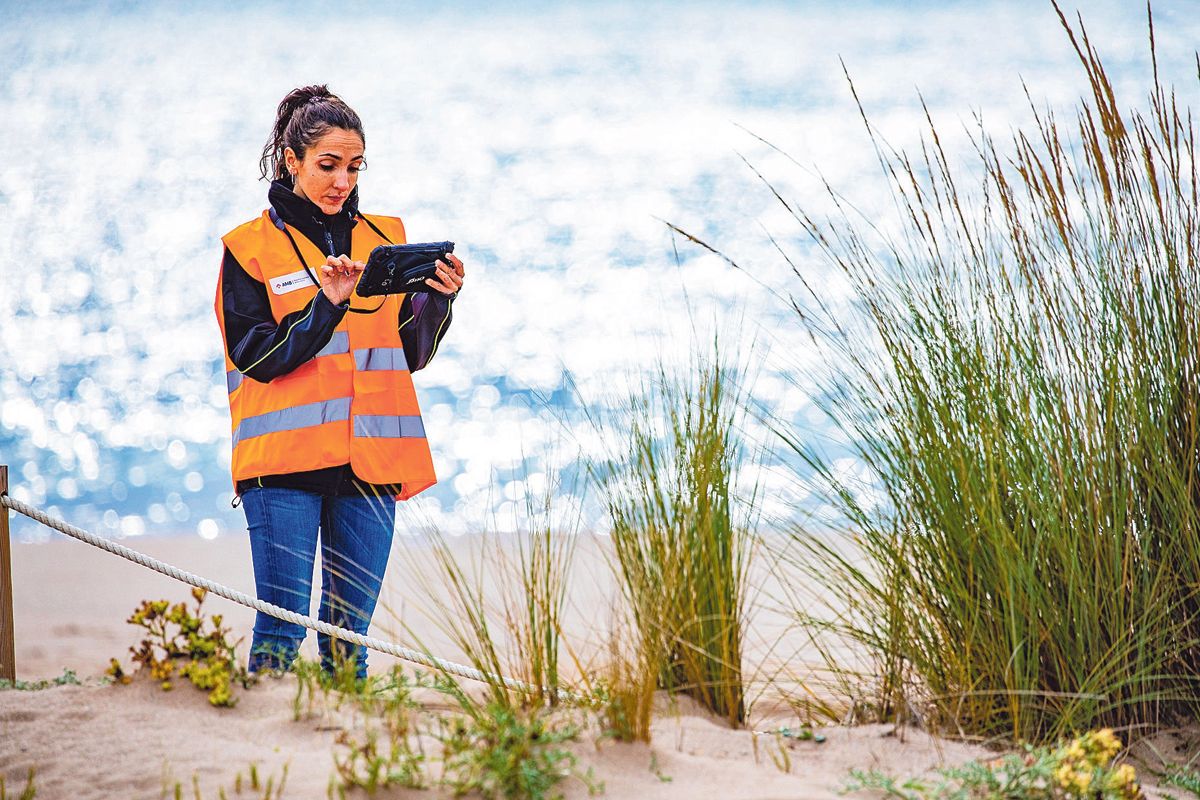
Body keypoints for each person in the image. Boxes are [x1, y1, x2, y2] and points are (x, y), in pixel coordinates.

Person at [214, 85, 465, 680]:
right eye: (328, 165)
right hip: (282, 467)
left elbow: (409, 352)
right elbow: (256, 357)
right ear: (291, 161)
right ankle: (265, 754)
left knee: (350, 637)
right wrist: (325, 305)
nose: (342, 181)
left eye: (354, 167)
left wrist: (437, 301)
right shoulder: (248, 249)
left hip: (372, 463)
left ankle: (349, 757)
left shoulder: (386, 238)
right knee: (282, 627)